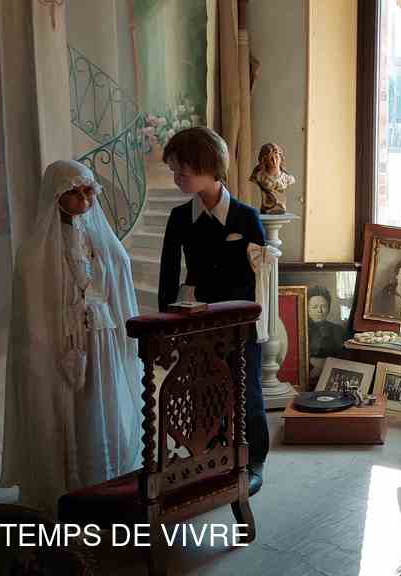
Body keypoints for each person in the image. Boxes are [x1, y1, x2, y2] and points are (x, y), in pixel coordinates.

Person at [0, 160, 145, 513]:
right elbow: (34, 308)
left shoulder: (97, 237)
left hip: (100, 336)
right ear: (56, 196)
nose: (84, 199)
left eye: (88, 191)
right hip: (59, 344)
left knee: (100, 400)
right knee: (66, 409)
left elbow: (117, 268)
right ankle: (67, 485)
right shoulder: (34, 253)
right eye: (74, 192)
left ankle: (103, 480)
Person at [157, 126, 269, 497]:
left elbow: (259, 280)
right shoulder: (179, 218)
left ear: (208, 166)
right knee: (202, 390)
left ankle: (253, 462)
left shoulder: (246, 217)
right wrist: (165, 328)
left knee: (247, 390)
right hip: (196, 321)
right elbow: (168, 276)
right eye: (174, 170)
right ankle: (209, 457)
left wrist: (252, 322)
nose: (176, 177)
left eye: (182, 170)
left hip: (240, 322)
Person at [306, 285, 348, 383]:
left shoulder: (338, 330)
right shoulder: (299, 330)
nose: (320, 311)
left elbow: (344, 358)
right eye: (314, 307)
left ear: (329, 307)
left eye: (323, 306)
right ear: (307, 308)